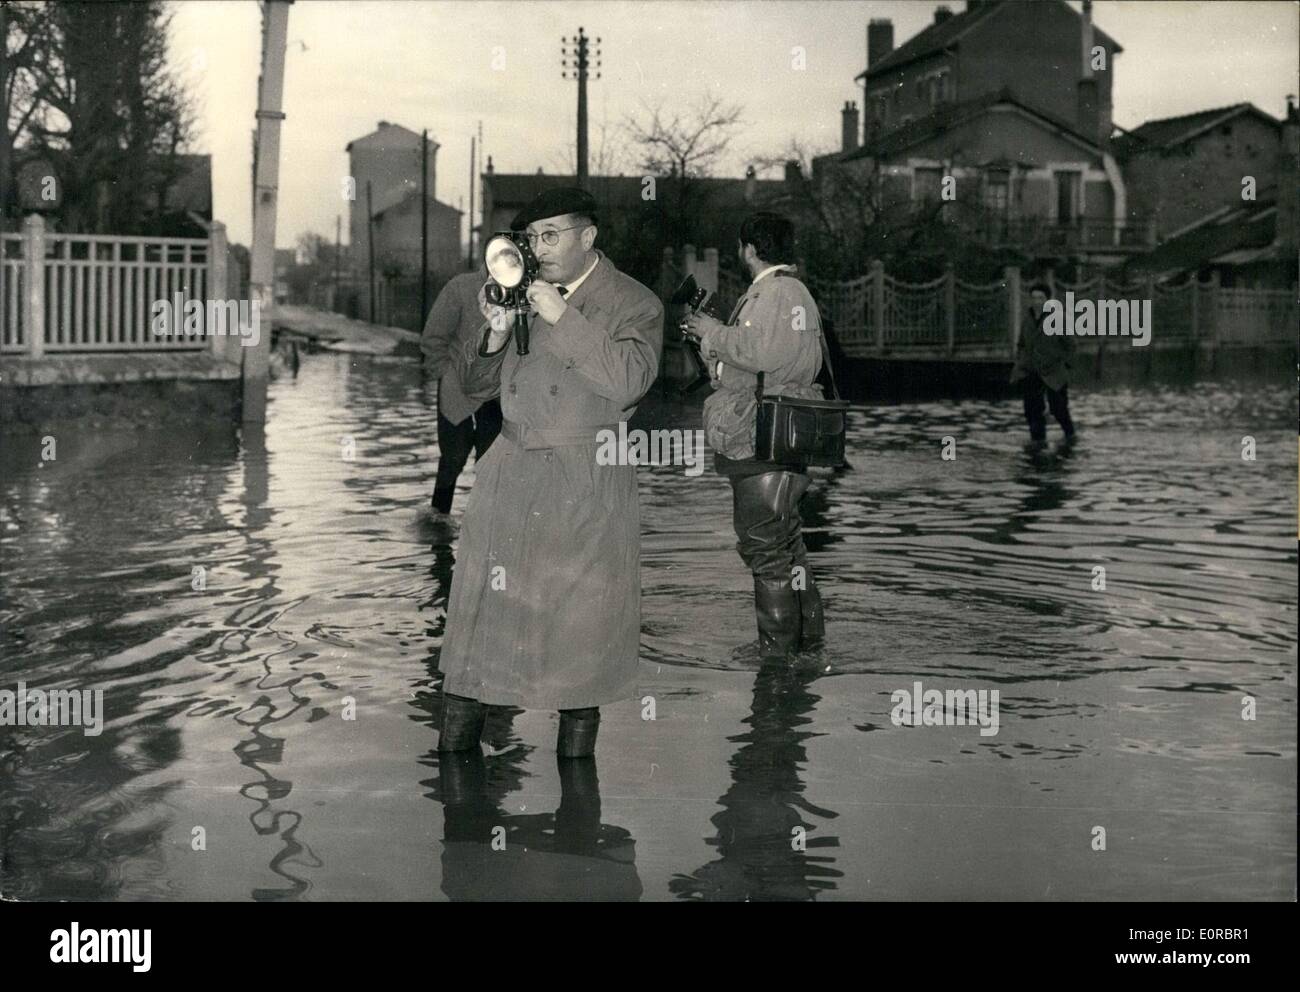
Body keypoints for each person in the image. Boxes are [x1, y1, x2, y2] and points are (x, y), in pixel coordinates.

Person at [436, 187, 663, 758]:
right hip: (509, 475)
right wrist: (494, 334)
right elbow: (473, 388)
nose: (539, 248)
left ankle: (577, 813)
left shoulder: (635, 302)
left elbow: (629, 381)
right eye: (532, 237)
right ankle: (457, 810)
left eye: (552, 235)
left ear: (589, 237)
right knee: (477, 640)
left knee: (578, 647)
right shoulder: (517, 298)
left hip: (583, 481)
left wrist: (560, 315)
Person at [683, 211, 826, 658]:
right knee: (788, 548)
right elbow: (767, 363)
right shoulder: (791, 291)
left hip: (761, 438)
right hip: (784, 434)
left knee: (766, 552)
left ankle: (777, 659)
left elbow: (758, 352)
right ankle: (807, 647)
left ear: (748, 248)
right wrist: (718, 356)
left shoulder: (774, 292)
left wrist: (709, 331)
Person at [420, 265, 504, 518]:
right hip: (457, 391)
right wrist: (446, 377)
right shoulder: (460, 287)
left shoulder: (523, 291)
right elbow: (433, 339)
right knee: (452, 460)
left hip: (498, 395)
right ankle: (438, 528)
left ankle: (486, 528)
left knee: (493, 464)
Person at [1010, 282, 1076, 443]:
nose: (1037, 301)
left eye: (1040, 298)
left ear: (1047, 300)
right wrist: (1021, 362)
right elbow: (1021, 344)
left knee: (1058, 408)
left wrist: (1064, 366)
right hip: (1031, 371)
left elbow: (1070, 345)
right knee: (1032, 410)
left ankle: (1070, 435)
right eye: (1033, 297)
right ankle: (1038, 442)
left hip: (1054, 372)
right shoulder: (1027, 319)